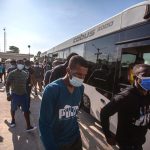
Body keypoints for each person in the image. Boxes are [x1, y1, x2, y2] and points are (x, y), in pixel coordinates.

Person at [39, 55, 88, 150]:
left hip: (75, 139)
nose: (81, 79)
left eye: (84, 75)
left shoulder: (81, 88)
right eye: (78, 74)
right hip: (58, 143)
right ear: (68, 70)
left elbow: (74, 114)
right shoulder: (52, 90)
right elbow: (44, 124)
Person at [100, 64, 150, 150]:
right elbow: (104, 113)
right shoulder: (125, 97)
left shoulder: (148, 94)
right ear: (135, 78)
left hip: (139, 142)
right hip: (126, 144)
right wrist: (108, 135)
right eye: (145, 76)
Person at [6, 60, 36, 131]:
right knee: (13, 109)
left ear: (24, 65)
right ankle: (13, 120)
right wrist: (8, 94)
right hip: (15, 94)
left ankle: (28, 126)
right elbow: (7, 84)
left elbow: (27, 82)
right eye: (19, 63)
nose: (20, 65)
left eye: (22, 64)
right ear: (17, 64)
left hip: (24, 94)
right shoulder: (11, 73)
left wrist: (31, 85)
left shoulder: (26, 73)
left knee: (26, 110)